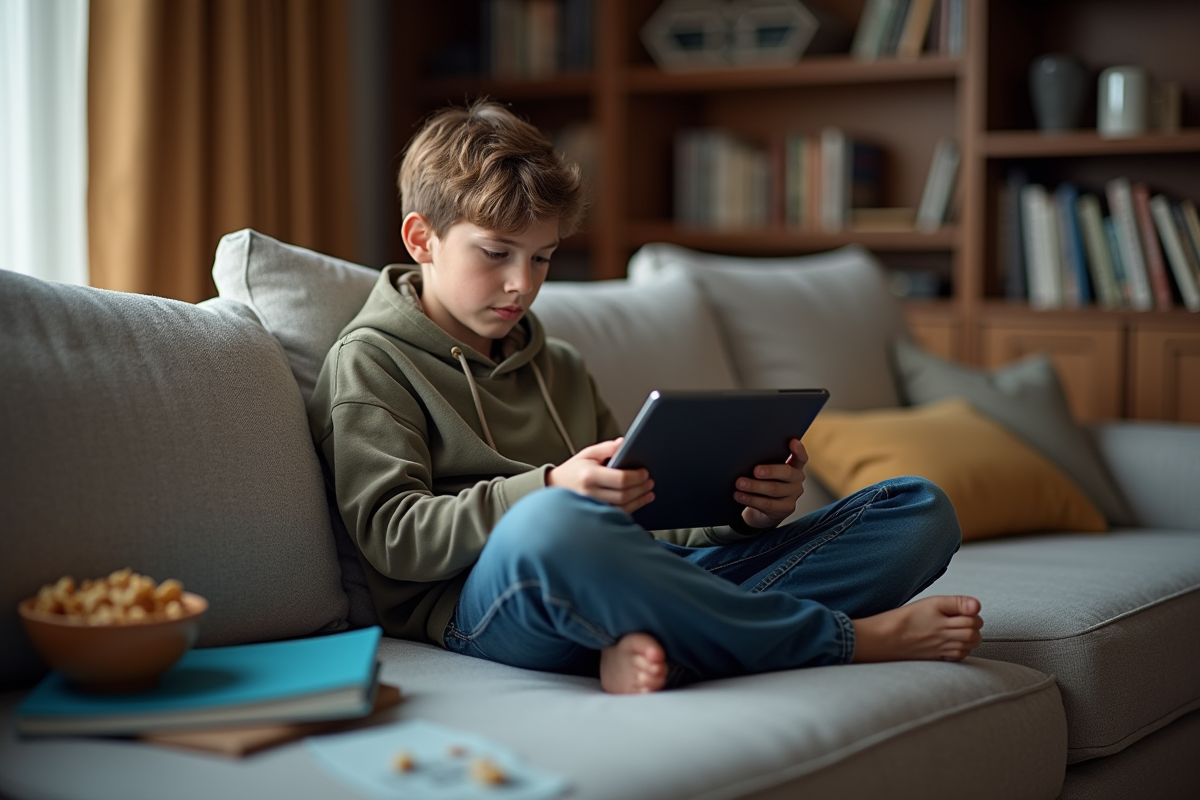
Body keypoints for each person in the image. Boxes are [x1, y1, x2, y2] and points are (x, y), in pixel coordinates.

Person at [307, 100, 983, 694]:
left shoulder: (560, 364)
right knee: (555, 525)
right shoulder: (370, 362)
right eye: (496, 253)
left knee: (918, 509)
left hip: (625, 578)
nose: (522, 283)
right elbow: (392, 539)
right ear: (422, 239)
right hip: (485, 605)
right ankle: (848, 640)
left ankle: (664, 643)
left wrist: (741, 515)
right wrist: (545, 488)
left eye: (542, 258)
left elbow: (641, 517)